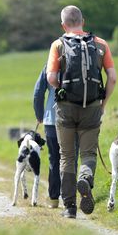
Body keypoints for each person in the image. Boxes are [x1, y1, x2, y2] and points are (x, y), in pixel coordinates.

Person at [46, 5, 117, 218]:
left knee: (67, 156)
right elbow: (112, 77)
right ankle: (85, 178)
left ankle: (69, 208)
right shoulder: (101, 44)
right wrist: (102, 104)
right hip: (93, 107)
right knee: (87, 153)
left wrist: (60, 89)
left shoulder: (58, 45)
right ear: (83, 21)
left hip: (66, 108)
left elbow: (50, 78)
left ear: (63, 24)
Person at [33, 65, 79, 209]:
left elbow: (38, 93)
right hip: (73, 119)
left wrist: (40, 115)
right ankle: (69, 200)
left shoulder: (49, 66)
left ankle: (53, 199)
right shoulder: (78, 64)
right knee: (71, 158)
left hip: (51, 120)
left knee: (54, 159)